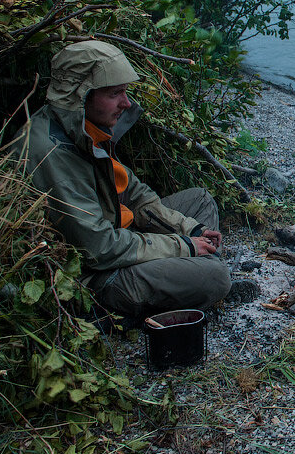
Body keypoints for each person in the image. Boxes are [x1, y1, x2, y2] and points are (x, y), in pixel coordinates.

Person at [19, 40, 237, 321]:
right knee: (217, 276)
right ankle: (144, 305)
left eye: (125, 92)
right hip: (100, 274)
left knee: (199, 201)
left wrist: (191, 229)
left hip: (120, 234)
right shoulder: (53, 151)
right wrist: (184, 245)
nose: (127, 103)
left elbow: (136, 195)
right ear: (81, 95)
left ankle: (187, 278)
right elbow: (98, 248)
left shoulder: (86, 129)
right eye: (115, 93)